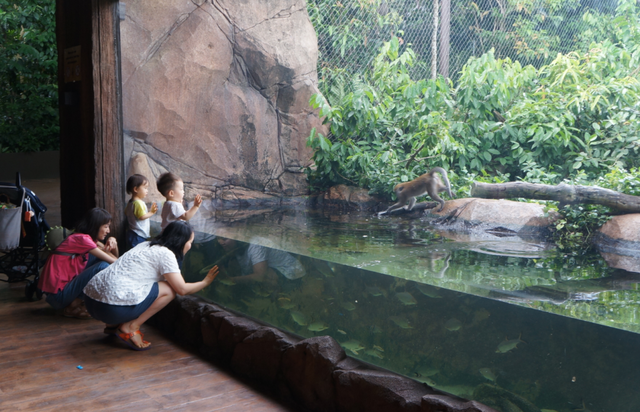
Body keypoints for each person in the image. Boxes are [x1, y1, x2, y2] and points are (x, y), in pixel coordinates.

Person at [83, 221, 219, 351]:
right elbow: (181, 289)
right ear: (181, 242)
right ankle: (131, 326)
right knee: (170, 289)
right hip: (110, 309)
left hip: (90, 302)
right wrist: (205, 282)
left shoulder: (145, 245)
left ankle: (112, 325)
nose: (190, 246)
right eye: (190, 242)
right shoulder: (166, 254)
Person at [38, 208, 119, 319]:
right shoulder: (82, 240)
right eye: (105, 226)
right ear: (95, 225)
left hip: (58, 295)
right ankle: (73, 305)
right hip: (59, 297)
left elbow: (114, 257)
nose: (108, 230)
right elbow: (115, 262)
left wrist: (113, 241)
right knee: (103, 266)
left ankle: (77, 303)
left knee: (101, 262)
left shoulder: (85, 238)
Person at [216, 237, 305, 284]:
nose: (220, 242)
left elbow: (260, 276)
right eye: (218, 239)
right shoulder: (236, 249)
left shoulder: (256, 244)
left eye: (224, 238)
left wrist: (231, 280)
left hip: (291, 277)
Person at [124, 174, 158, 249]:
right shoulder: (139, 203)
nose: (147, 190)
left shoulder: (130, 202)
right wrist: (151, 212)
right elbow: (142, 217)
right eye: (145, 188)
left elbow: (126, 213)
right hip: (138, 235)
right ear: (135, 189)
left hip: (132, 233)